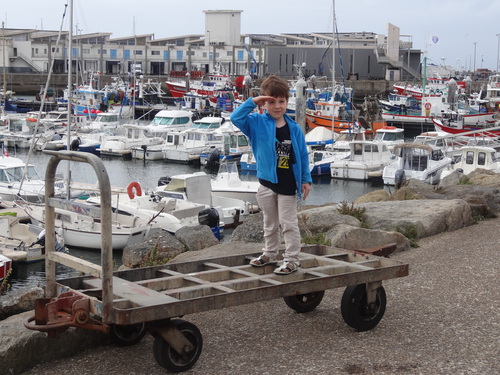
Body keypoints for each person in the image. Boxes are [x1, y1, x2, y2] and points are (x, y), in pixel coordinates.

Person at [230, 75, 312, 275]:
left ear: (287, 101)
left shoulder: (294, 129)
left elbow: (302, 155)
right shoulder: (256, 123)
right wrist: (253, 101)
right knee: (270, 223)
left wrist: (306, 179)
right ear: (264, 103)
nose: (277, 106)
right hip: (266, 183)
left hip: (287, 185)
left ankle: (292, 259)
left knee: (288, 224)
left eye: (281, 101)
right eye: (271, 101)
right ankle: (270, 253)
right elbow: (235, 118)